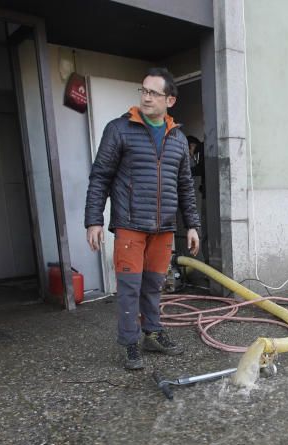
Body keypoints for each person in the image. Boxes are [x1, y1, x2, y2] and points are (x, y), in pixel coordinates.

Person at [84, 68, 201, 370]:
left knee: (153, 286)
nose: (146, 97)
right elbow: (100, 176)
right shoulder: (119, 129)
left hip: (163, 228)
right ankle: (130, 343)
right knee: (129, 289)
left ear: (170, 100)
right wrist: (93, 219)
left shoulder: (176, 139)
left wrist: (192, 225)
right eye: (144, 91)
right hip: (130, 224)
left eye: (153, 93)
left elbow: (185, 185)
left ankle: (151, 331)